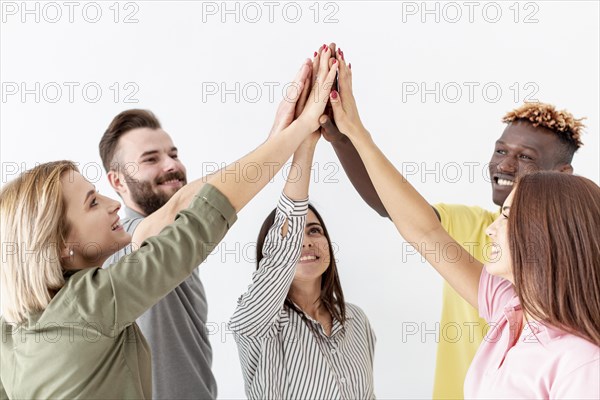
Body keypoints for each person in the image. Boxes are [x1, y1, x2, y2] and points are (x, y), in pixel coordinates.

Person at [0, 49, 339, 399]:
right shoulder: (98, 293)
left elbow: (182, 207)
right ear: (58, 243)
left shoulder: (12, 333)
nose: (111, 204)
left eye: (173, 154)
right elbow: (195, 217)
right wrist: (297, 132)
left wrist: (278, 141)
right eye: (92, 202)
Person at [325, 49, 599, 398]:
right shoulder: (509, 312)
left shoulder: (581, 363)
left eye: (509, 218)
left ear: (547, 232)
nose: (491, 230)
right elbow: (422, 229)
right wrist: (351, 132)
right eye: (501, 151)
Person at [229, 52, 375, 399]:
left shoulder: (356, 322)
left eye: (315, 231)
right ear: (270, 256)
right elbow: (284, 248)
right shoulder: (256, 321)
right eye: (297, 232)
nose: (306, 242)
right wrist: (304, 142)